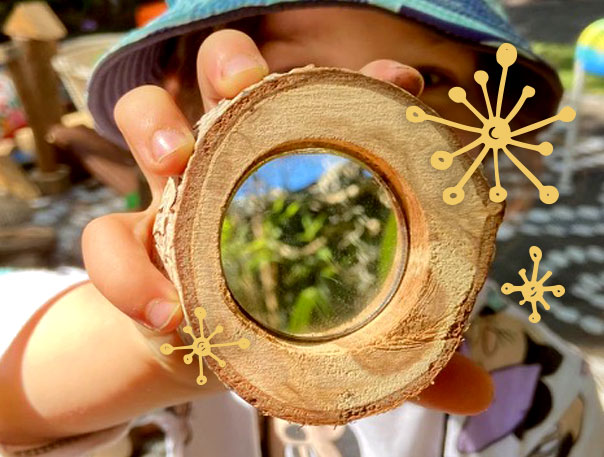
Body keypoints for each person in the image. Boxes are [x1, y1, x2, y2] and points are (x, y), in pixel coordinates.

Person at [0, 1, 602, 456]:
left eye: (431, 79)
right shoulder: (167, 343)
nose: (356, 120)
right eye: (289, 73)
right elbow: (16, 398)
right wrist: (144, 353)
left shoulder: (540, 383)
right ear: (187, 117)